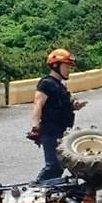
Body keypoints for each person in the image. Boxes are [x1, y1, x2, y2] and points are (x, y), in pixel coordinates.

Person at [27, 48, 87, 182]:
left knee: (63, 165)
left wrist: (74, 105)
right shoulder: (46, 83)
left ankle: (49, 190)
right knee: (53, 166)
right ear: (56, 66)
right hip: (51, 130)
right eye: (67, 66)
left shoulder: (60, 85)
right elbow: (38, 103)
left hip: (63, 131)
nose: (69, 70)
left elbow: (60, 105)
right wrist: (35, 127)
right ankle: (36, 189)